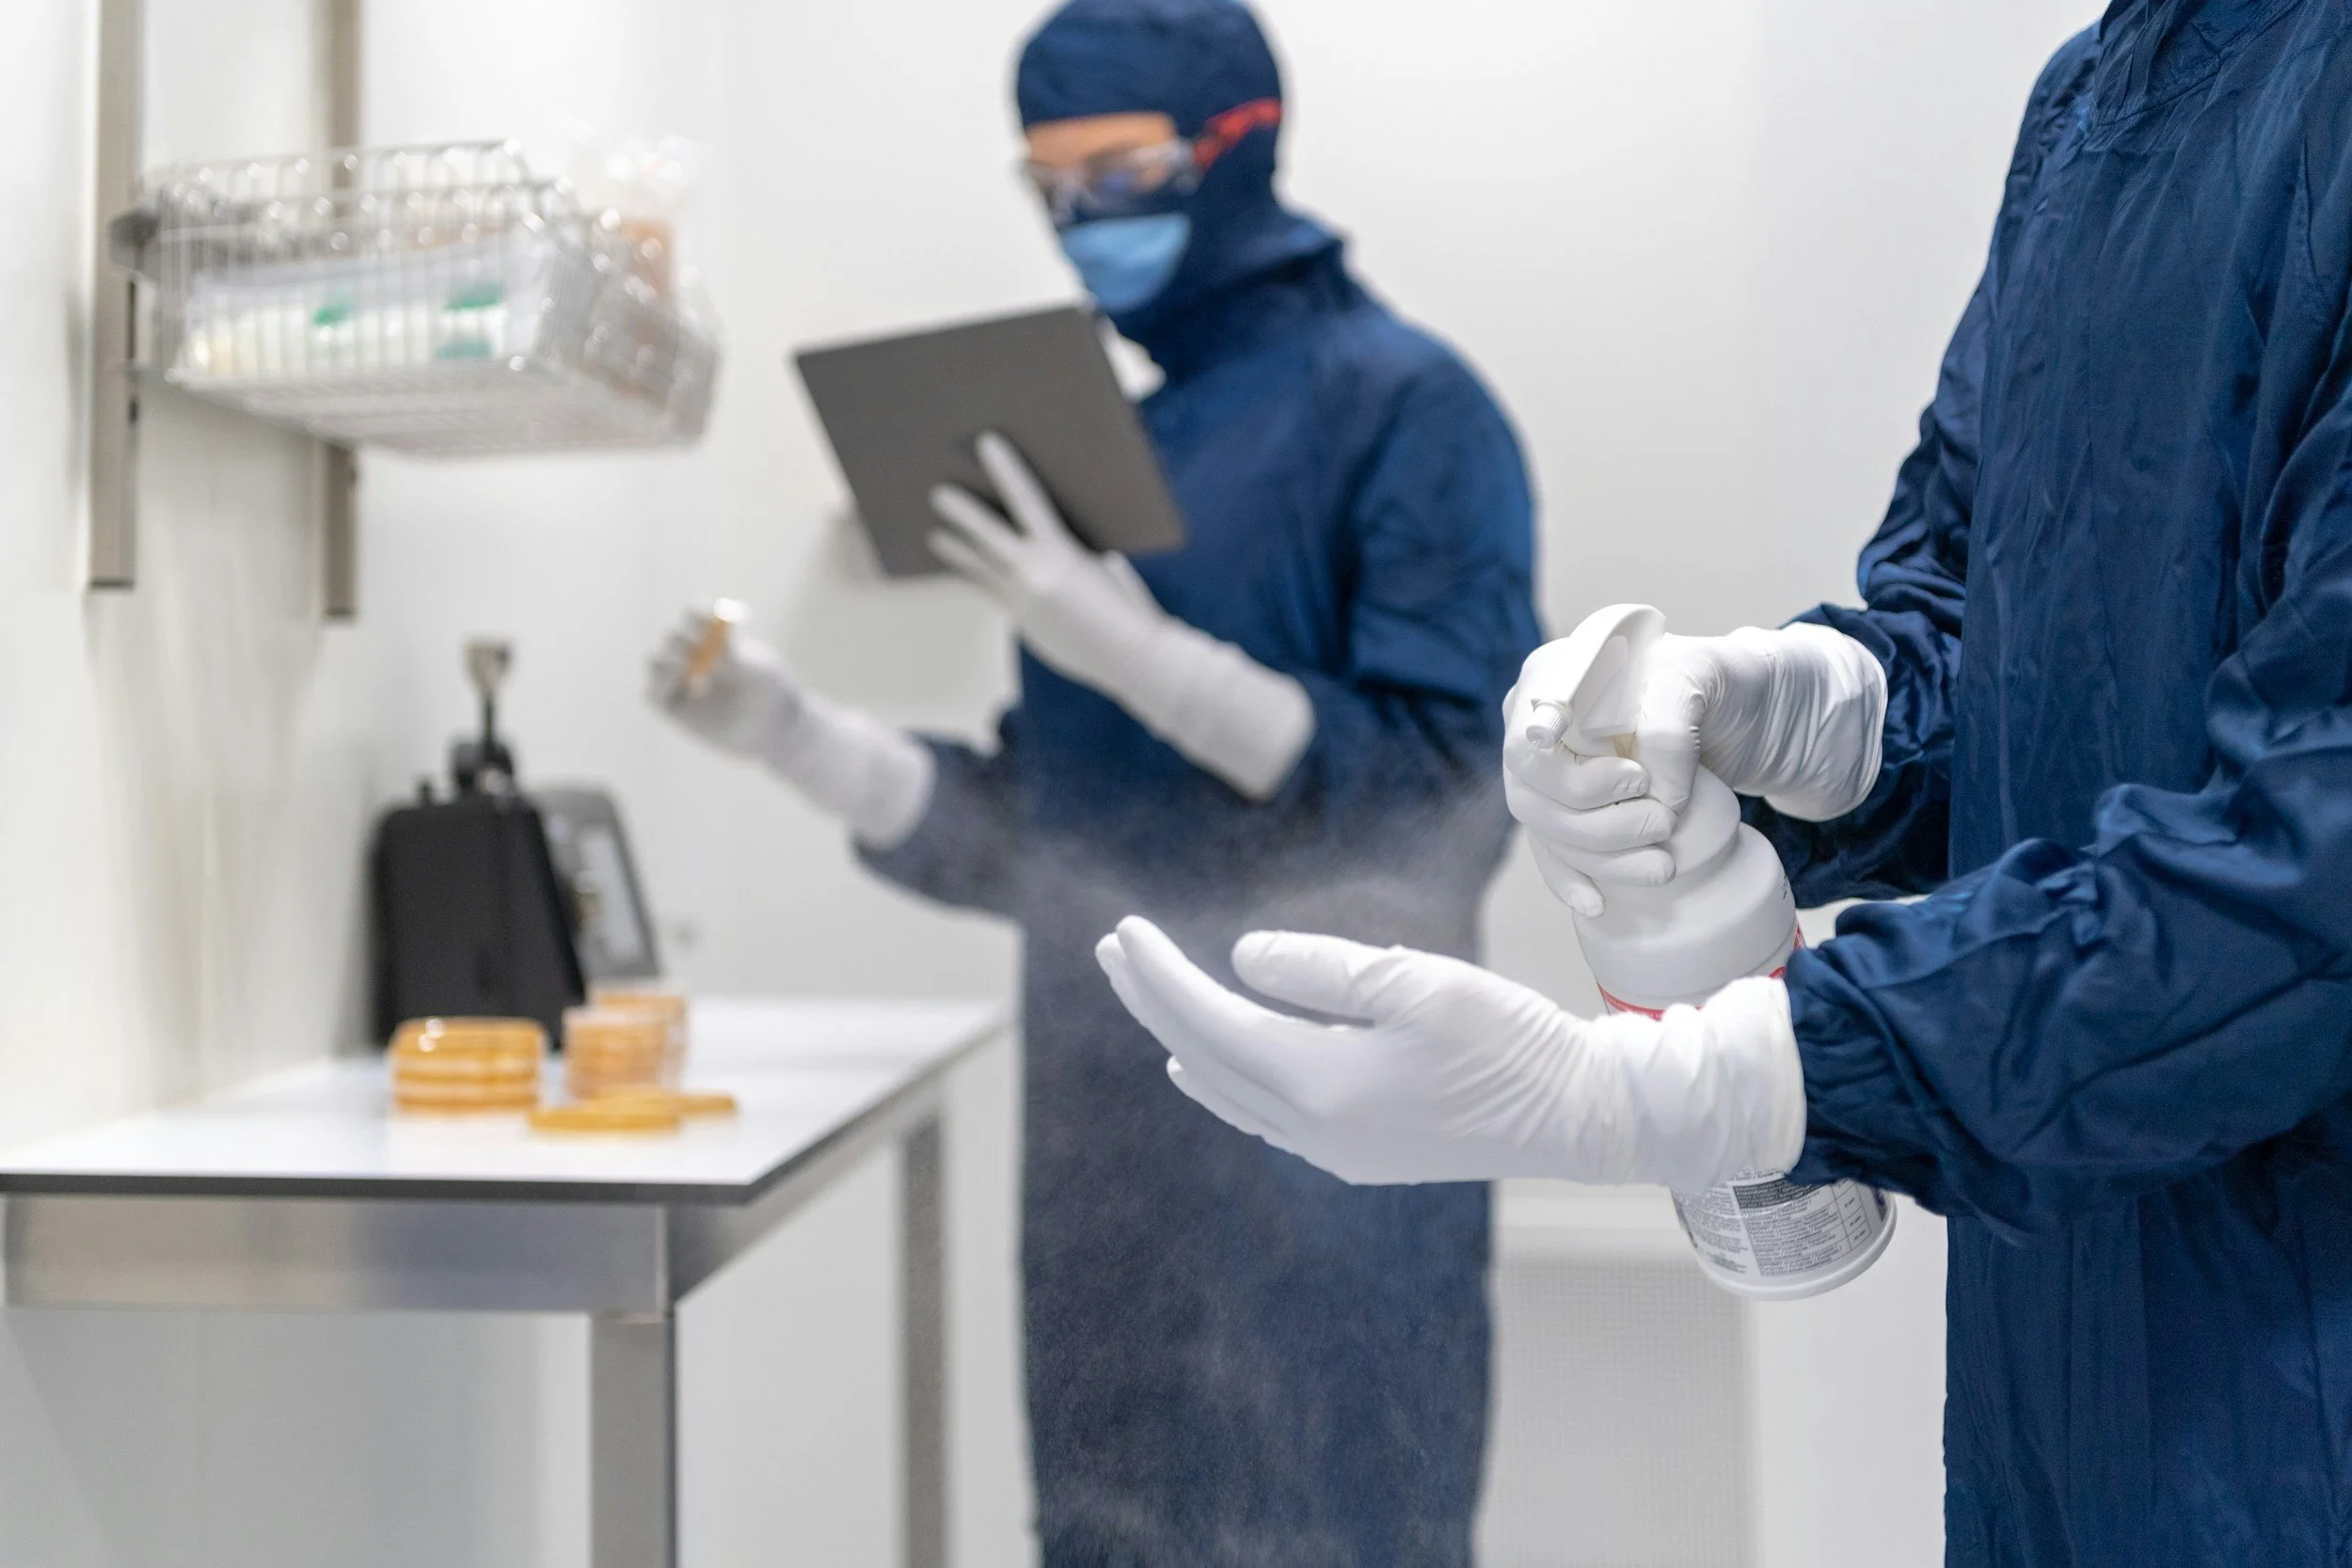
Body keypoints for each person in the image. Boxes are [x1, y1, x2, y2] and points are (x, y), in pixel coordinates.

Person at [1098, 6, 2352, 1563]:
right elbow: (2020, 631)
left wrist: (1708, 1085)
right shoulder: (2099, 104)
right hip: (2068, 1374)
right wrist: (1825, 719)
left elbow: (2312, 870)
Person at [649, 0, 1542, 1560]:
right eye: (1048, 185)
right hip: (1108, 1162)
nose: (1083, 222)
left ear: (1241, 142)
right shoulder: (1097, 455)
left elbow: (1444, 798)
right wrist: (802, 739)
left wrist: (1147, 657)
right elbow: (1058, 834)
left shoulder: (1407, 405)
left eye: (1120, 172)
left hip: (1334, 1159)